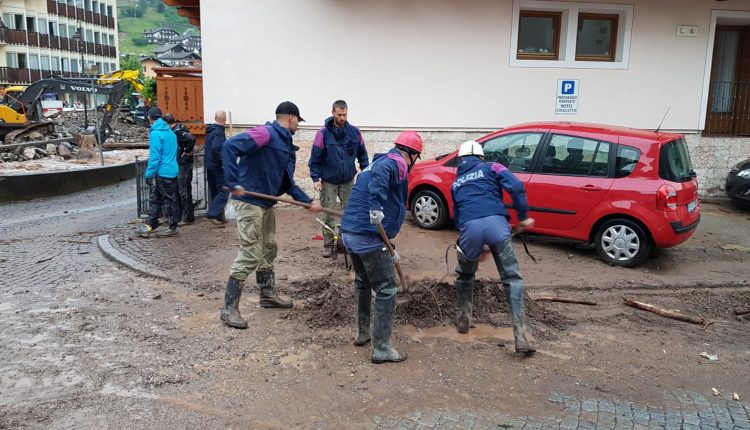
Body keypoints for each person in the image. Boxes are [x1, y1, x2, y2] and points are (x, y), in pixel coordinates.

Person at [220, 101, 321, 329]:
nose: (298, 126)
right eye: (298, 121)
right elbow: (230, 147)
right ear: (292, 118)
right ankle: (228, 309)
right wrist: (233, 181)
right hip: (249, 203)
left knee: (268, 248)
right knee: (250, 253)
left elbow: (287, 182)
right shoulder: (265, 134)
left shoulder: (284, 144)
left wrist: (307, 201)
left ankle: (267, 294)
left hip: (266, 204)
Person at [340, 131, 423, 364]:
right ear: (413, 154)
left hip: (350, 234)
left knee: (363, 282)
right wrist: (375, 207)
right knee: (387, 289)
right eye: (417, 157)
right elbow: (383, 172)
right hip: (368, 236)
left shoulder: (374, 164)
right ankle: (382, 348)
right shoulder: (395, 161)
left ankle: (364, 332)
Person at [450, 140, 536, 354]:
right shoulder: (493, 167)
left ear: (461, 160)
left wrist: (474, 247)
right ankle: (520, 337)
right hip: (497, 226)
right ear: (481, 157)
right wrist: (523, 217)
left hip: (469, 229)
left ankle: (463, 322)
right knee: (512, 279)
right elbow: (516, 186)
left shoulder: (456, 182)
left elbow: (458, 217)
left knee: (465, 276)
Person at [309, 100, 369, 257]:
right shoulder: (322, 134)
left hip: (348, 180)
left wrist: (366, 173)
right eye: (339, 115)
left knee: (348, 213)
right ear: (332, 113)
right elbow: (315, 157)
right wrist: (315, 178)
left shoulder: (355, 133)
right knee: (328, 212)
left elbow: (362, 155)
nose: (342, 118)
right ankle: (328, 245)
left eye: (345, 114)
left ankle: (344, 243)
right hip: (328, 180)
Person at [138, 107, 180, 238]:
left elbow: (155, 156)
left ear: (150, 118)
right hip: (171, 169)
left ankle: (173, 228)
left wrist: (149, 174)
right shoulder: (170, 132)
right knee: (157, 198)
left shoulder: (156, 133)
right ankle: (150, 224)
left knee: (167, 200)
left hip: (163, 172)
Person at [163, 113, 196, 225]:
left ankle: (186, 217)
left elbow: (191, 138)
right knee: (183, 189)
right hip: (183, 163)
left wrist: (186, 152)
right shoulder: (180, 128)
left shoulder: (177, 132)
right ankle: (184, 216)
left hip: (183, 164)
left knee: (183, 191)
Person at [205, 110, 229, 225]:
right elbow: (216, 148)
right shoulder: (219, 131)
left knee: (215, 189)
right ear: (225, 120)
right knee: (225, 189)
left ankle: (219, 216)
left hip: (209, 164)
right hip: (216, 165)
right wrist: (222, 162)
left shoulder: (210, 130)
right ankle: (213, 213)